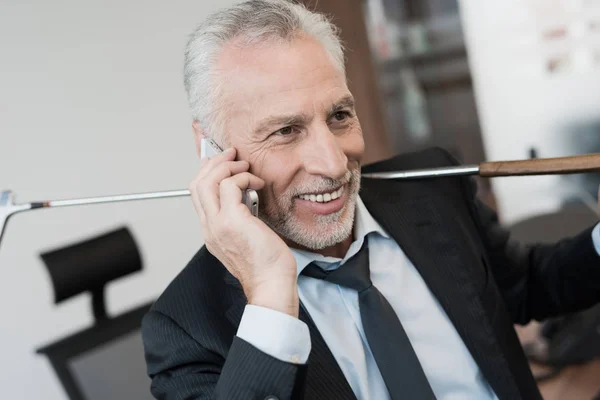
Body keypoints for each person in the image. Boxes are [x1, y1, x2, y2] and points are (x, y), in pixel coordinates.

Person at [141, 1, 600, 399]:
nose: (334, 162)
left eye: (340, 115)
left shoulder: (429, 191)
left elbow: (528, 286)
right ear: (212, 149)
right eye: (286, 131)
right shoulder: (184, 327)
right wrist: (269, 297)